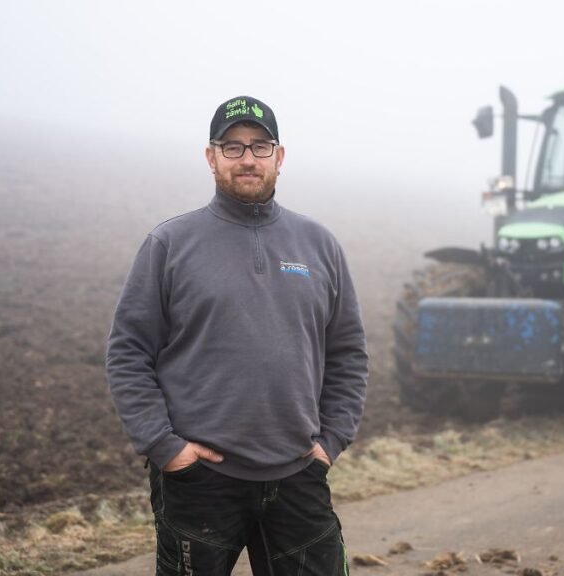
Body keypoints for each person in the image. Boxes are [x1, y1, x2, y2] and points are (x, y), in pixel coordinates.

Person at [106, 95, 368, 576]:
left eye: (260, 146)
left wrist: (331, 440)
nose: (247, 158)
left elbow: (348, 352)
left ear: (279, 157)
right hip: (199, 482)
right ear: (211, 157)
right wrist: (167, 449)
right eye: (232, 147)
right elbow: (128, 353)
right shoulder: (170, 244)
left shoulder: (319, 245)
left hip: (298, 474)